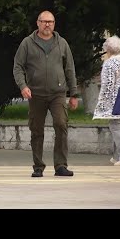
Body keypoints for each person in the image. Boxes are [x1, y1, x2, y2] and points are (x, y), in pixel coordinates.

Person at [13, 10, 79, 178]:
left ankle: (61, 165)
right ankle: (38, 166)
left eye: (50, 21)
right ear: (38, 23)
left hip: (58, 93)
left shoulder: (62, 43)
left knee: (61, 124)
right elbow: (18, 67)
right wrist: (23, 86)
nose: (47, 24)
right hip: (35, 94)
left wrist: (74, 94)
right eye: (44, 21)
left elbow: (69, 69)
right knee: (36, 130)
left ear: (54, 24)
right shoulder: (27, 43)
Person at [93, 35, 120, 166]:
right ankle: (116, 156)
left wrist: (102, 101)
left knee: (117, 128)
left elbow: (107, 84)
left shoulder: (109, 63)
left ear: (108, 49)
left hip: (116, 100)